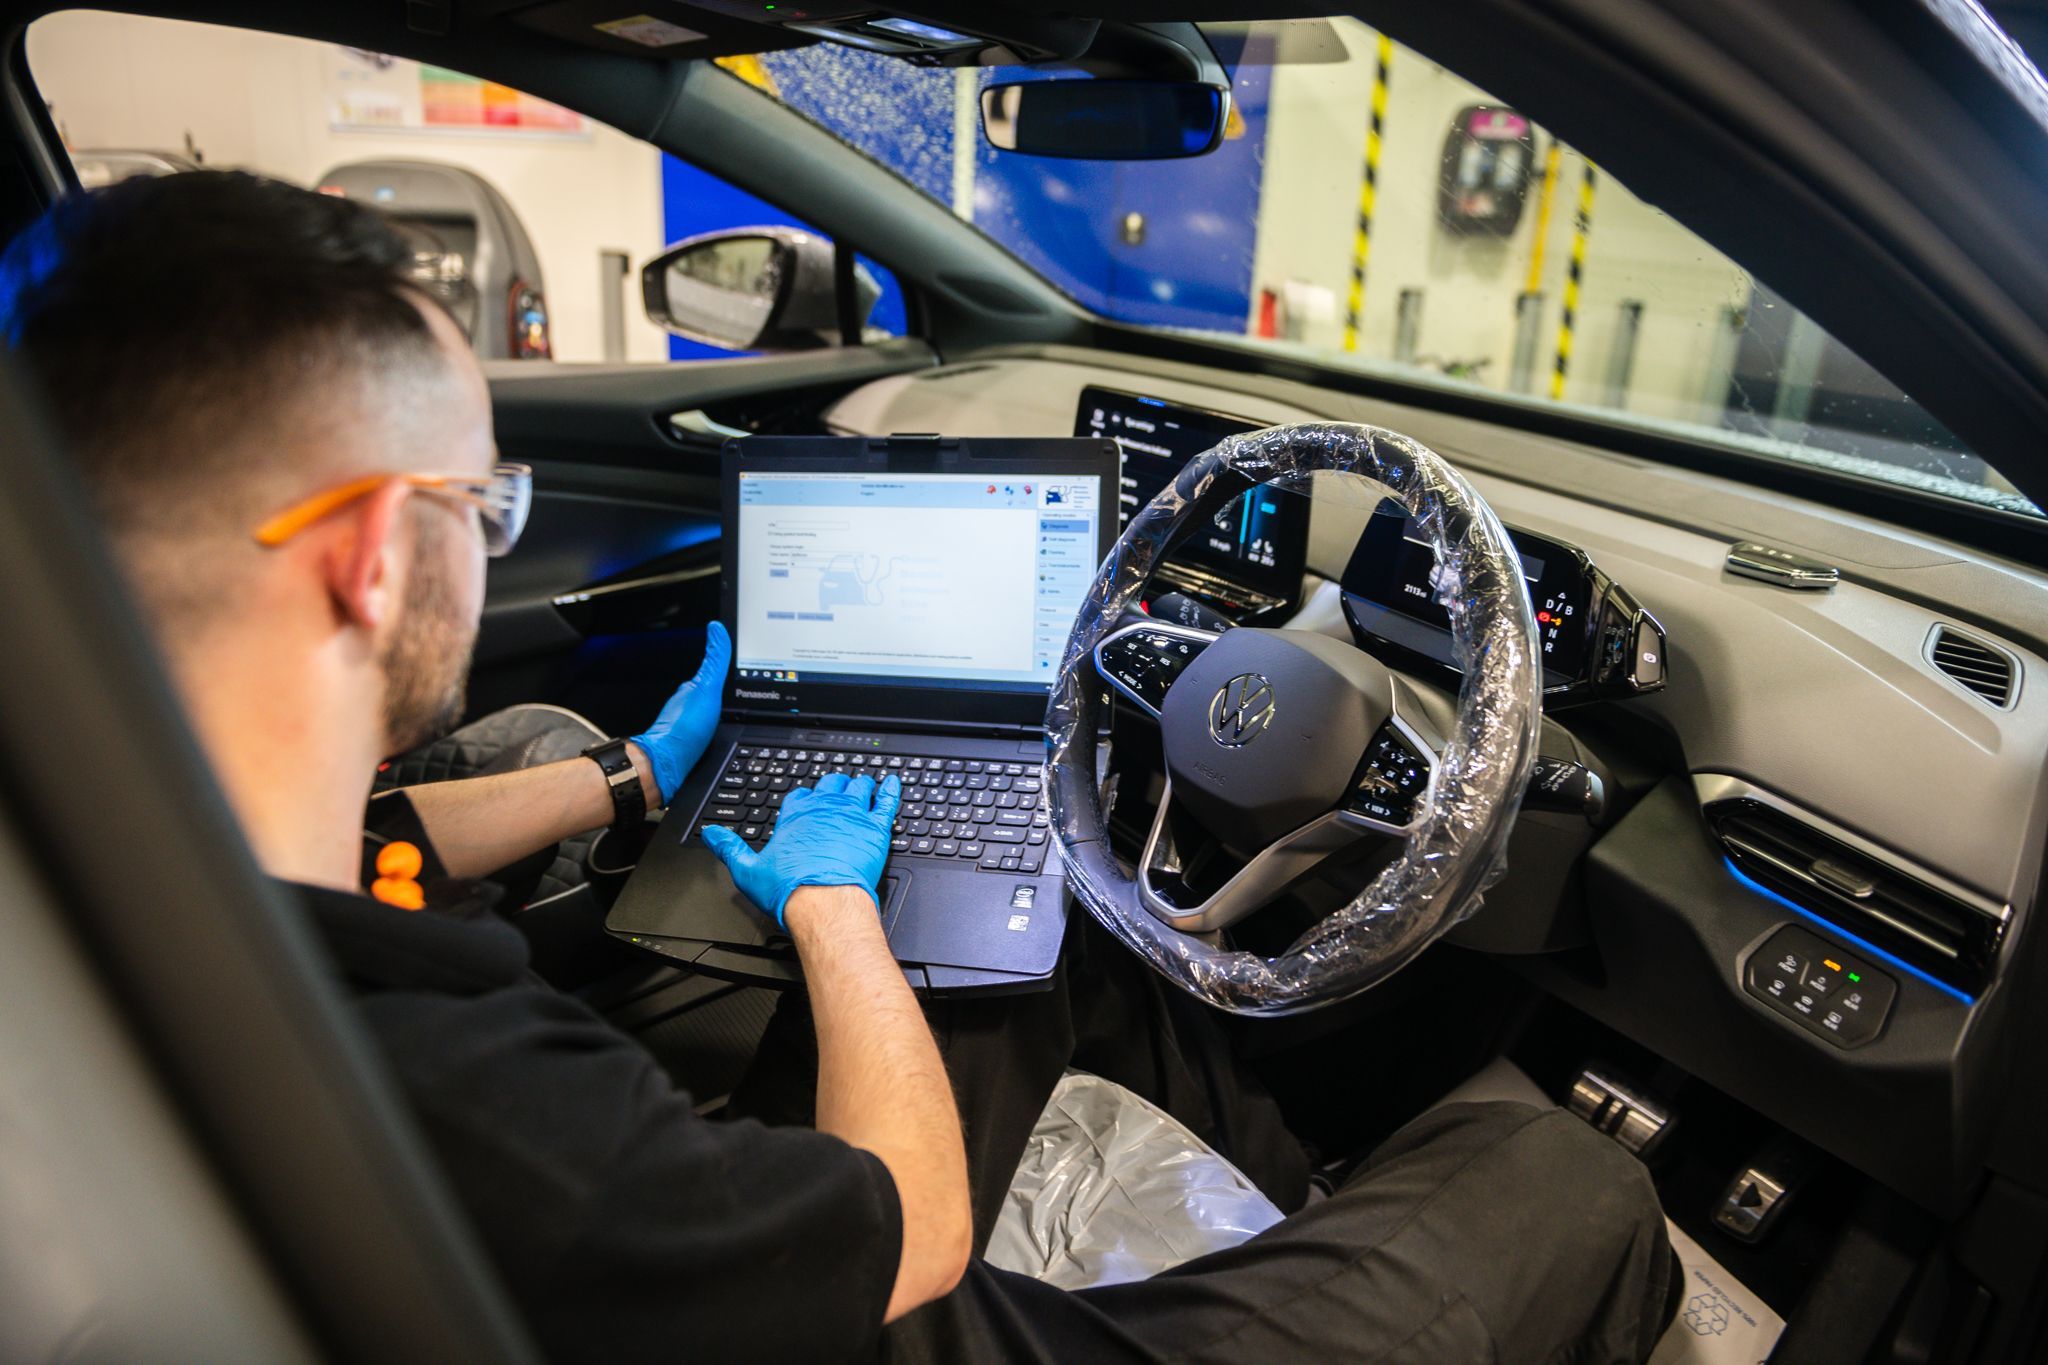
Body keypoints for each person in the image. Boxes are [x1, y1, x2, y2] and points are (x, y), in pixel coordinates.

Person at [1, 170, 1677, 1364]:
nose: (489, 530)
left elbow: (383, 835)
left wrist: (638, 776)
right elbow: (909, 1227)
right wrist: (832, 905)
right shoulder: (487, 1110)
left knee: (1029, 967)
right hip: (872, 1301)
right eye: (478, 506)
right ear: (371, 557)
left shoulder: (106, 883)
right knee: (1560, 1173)